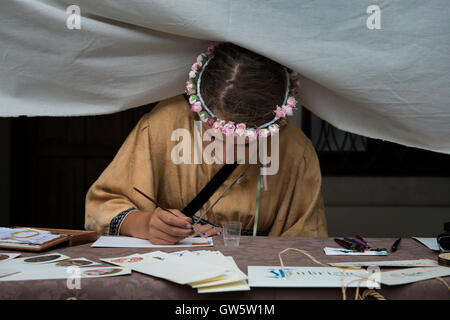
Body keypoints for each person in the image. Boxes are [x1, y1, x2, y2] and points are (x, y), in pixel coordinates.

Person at [85, 42, 328, 244]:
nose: (224, 155)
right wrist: (147, 224)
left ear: (274, 127)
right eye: (213, 138)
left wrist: (239, 242)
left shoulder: (296, 151)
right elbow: (102, 206)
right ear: (198, 111)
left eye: (245, 146)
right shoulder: (164, 124)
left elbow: (306, 241)